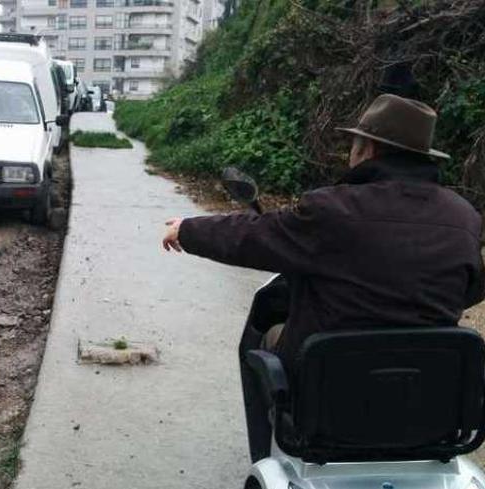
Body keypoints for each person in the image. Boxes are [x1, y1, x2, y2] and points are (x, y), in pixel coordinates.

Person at [161, 94, 485, 462]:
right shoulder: (464, 218)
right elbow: (470, 290)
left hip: (333, 397)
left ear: (368, 149)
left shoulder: (332, 210)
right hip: (430, 403)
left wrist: (187, 230)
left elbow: (252, 236)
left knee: (264, 340)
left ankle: (270, 450)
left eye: (354, 143)